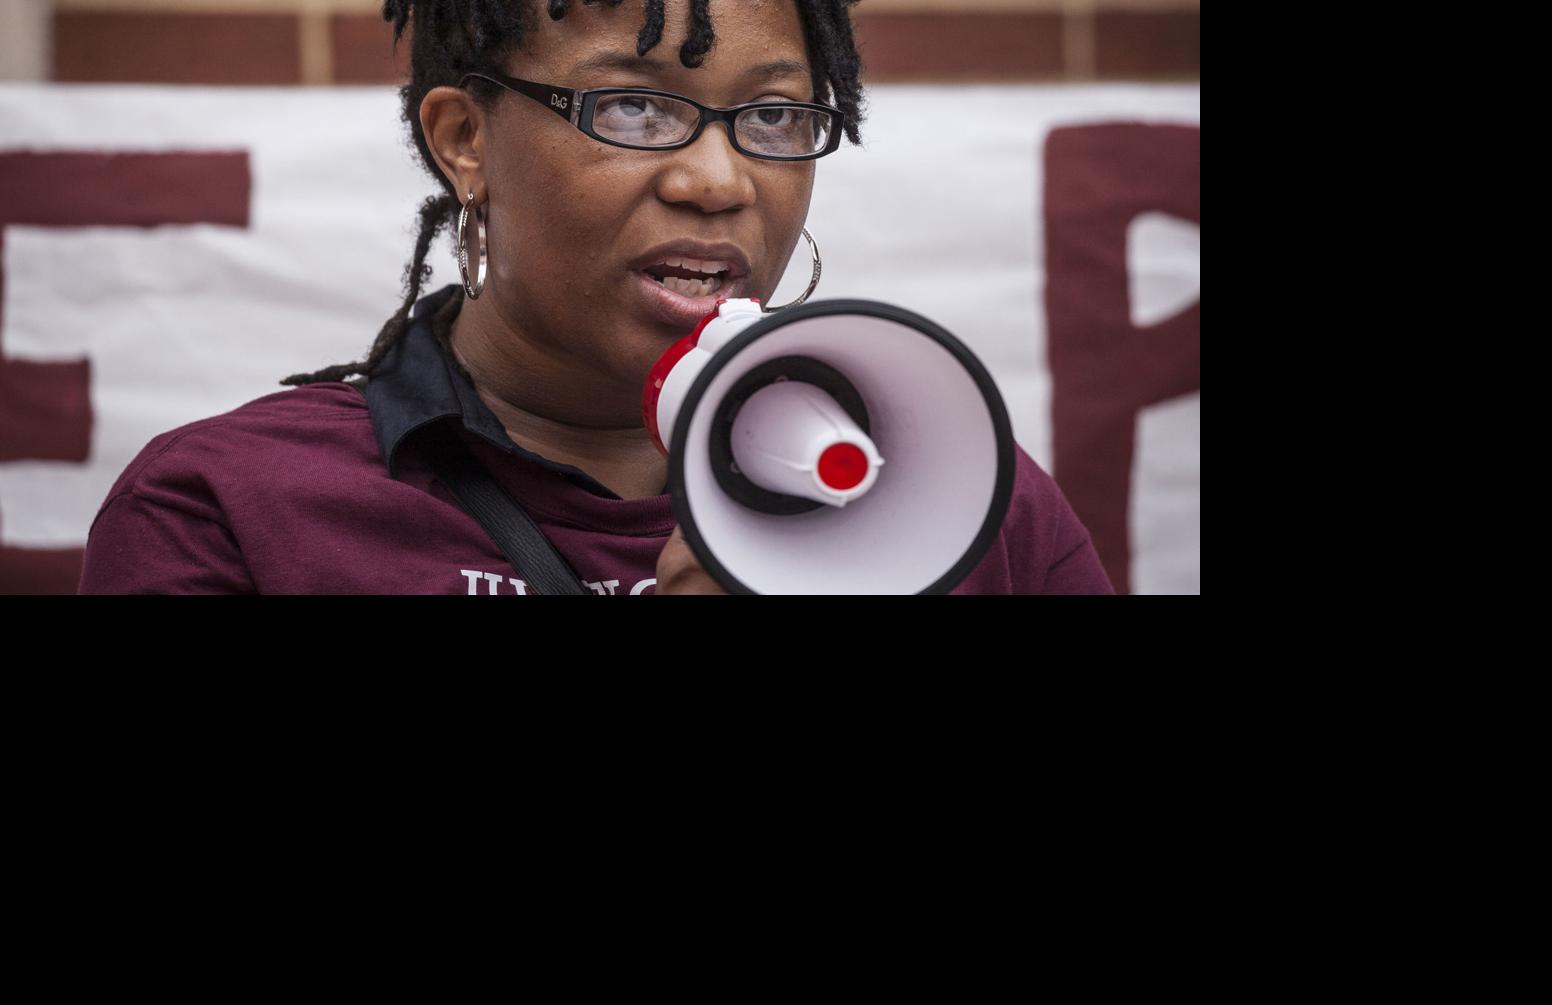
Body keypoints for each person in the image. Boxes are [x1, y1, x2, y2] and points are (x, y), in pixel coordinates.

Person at [76, 0, 1113, 595]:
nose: (718, 179)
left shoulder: (969, 507)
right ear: (464, 140)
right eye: (633, 104)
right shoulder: (229, 512)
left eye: (777, 115)